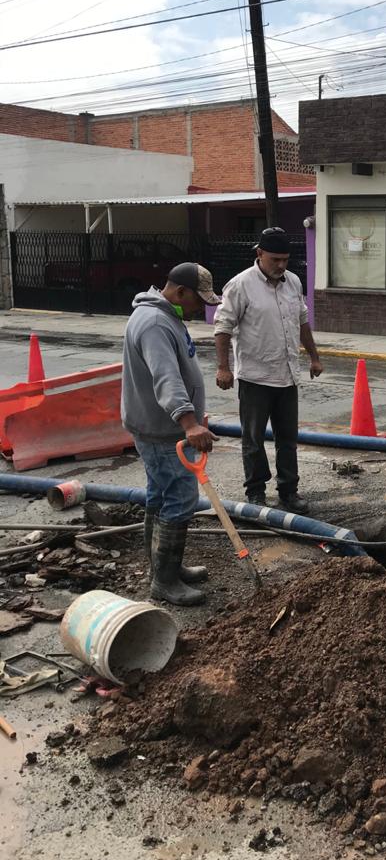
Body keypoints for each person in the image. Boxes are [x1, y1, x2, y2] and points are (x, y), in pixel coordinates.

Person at [121, 262, 219, 607]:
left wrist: (193, 415)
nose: (200, 309)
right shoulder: (155, 323)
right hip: (163, 431)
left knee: (160, 496)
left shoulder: (163, 317)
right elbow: (166, 378)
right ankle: (164, 580)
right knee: (179, 498)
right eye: (198, 301)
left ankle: (165, 569)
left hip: (159, 426)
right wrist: (189, 423)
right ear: (180, 292)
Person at [214, 226, 322, 513]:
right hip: (255, 377)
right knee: (254, 439)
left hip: (287, 375)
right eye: (275, 259)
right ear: (260, 254)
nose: (281, 265)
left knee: (288, 440)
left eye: (285, 260)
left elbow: (302, 321)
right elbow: (223, 327)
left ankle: (289, 491)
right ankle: (256, 492)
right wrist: (223, 367)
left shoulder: (293, 282)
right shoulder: (240, 285)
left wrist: (314, 357)